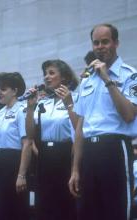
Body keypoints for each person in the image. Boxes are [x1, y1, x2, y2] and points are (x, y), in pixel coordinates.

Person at [69, 23, 137, 220]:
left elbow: (129, 115)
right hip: (89, 152)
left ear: (116, 43)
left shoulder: (130, 75)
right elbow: (81, 126)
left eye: (105, 42)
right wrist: (75, 169)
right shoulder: (86, 80)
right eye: (96, 43)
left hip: (114, 149)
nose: (100, 46)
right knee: (87, 213)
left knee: (114, 211)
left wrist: (107, 79)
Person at [26, 59, 79, 220]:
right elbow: (30, 135)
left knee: (65, 205)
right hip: (44, 158)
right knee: (44, 204)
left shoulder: (76, 98)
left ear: (63, 77)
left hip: (66, 154)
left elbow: (79, 129)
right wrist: (30, 108)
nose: (46, 77)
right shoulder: (44, 103)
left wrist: (69, 104)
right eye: (45, 74)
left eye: (51, 73)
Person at [0, 72, 32, 220]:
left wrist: (21, 175)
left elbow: (27, 143)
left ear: (15, 91)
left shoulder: (22, 110)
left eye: (3, 89)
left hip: (14, 163)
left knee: (14, 209)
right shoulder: (0, 113)